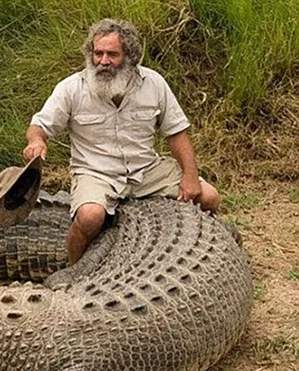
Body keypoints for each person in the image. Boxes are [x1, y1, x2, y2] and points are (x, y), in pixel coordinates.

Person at [22, 19, 221, 265]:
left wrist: (190, 174)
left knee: (209, 197)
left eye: (112, 54)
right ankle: (73, 269)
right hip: (96, 173)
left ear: (130, 56)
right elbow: (39, 126)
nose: (103, 61)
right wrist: (37, 142)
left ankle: (206, 260)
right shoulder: (72, 88)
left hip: (146, 170)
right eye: (98, 53)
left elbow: (176, 133)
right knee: (90, 217)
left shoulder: (153, 83)